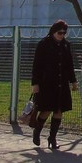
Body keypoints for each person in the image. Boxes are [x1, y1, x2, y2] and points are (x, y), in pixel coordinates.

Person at [30, 19, 78, 150]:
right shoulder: (44, 44)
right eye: (59, 33)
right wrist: (35, 83)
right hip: (47, 83)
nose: (62, 35)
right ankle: (37, 132)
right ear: (53, 31)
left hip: (61, 83)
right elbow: (37, 65)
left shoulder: (66, 45)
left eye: (64, 33)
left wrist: (73, 81)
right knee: (46, 110)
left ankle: (52, 138)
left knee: (59, 110)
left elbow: (69, 65)